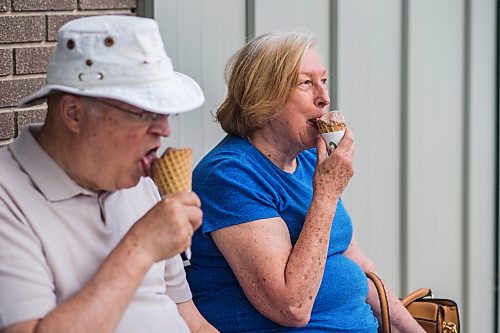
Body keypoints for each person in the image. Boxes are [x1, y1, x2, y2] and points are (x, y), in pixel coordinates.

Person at [186, 31, 425, 332]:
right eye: (305, 83)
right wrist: (325, 193)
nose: (324, 98)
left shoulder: (312, 161)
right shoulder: (231, 175)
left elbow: (359, 265)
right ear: (264, 96)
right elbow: (291, 306)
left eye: (323, 81)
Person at [0, 15, 218, 333]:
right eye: (143, 112)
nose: (165, 130)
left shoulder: (137, 182)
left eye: (165, 113)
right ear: (73, 113)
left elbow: (190, 319)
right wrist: (140, 247)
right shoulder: (8, 197)